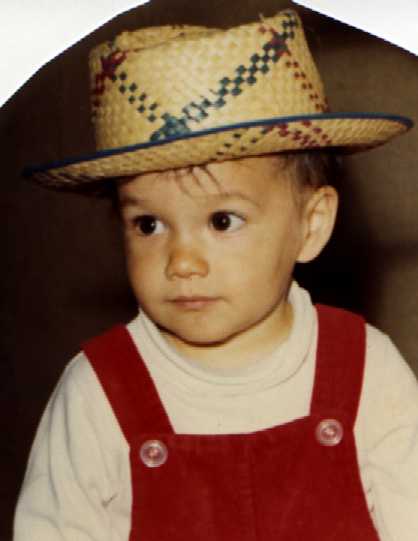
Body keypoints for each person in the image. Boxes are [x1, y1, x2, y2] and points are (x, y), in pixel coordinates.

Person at [14, 9, 418, 541]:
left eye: (222, 220)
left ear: (311, 224)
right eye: (149, 223)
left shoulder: (368, 370)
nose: (181, 261)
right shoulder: (97, 392)